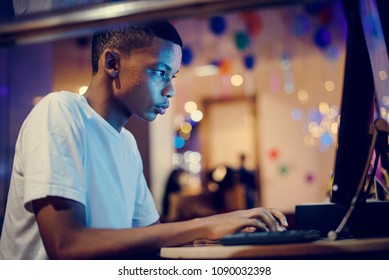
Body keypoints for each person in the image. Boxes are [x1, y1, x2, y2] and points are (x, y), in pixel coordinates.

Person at [0, 20, 288, 260]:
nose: (170, 90)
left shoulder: (127, 144)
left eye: (172, 75)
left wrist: (227, 237)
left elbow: (150, 241)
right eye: (160, 72)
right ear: (112, 62)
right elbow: (66, 244)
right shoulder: (60, 111)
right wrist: (206, 224)